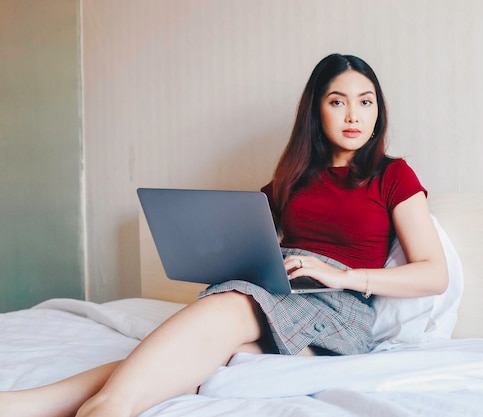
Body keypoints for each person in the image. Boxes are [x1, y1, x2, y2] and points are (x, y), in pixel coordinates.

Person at [0, 53, 448, 417]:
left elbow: (434, 274)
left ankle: (106, 410)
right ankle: (31, 404)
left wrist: (343, 276)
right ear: (316, 110)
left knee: (223, 313)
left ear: (378, 109)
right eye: (337, 101)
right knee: (194, 350)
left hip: (338, 309)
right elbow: (248, 238)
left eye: (365, 101)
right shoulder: (292, 177)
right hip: (275, 292)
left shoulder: (393, 175)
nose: (354, 114)